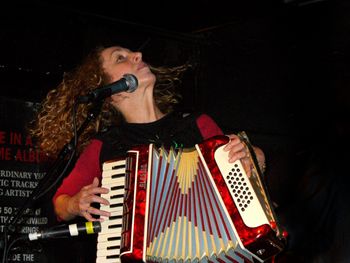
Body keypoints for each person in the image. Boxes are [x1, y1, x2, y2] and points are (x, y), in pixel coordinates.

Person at [29, 45, 266, 259]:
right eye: (120, 58)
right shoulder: (104, 145)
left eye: (133, 53)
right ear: (109, 89)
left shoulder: (198, 125)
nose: (138, 55)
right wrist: (75, 204)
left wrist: (253, 157)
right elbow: (61, 204)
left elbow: (245, 173)